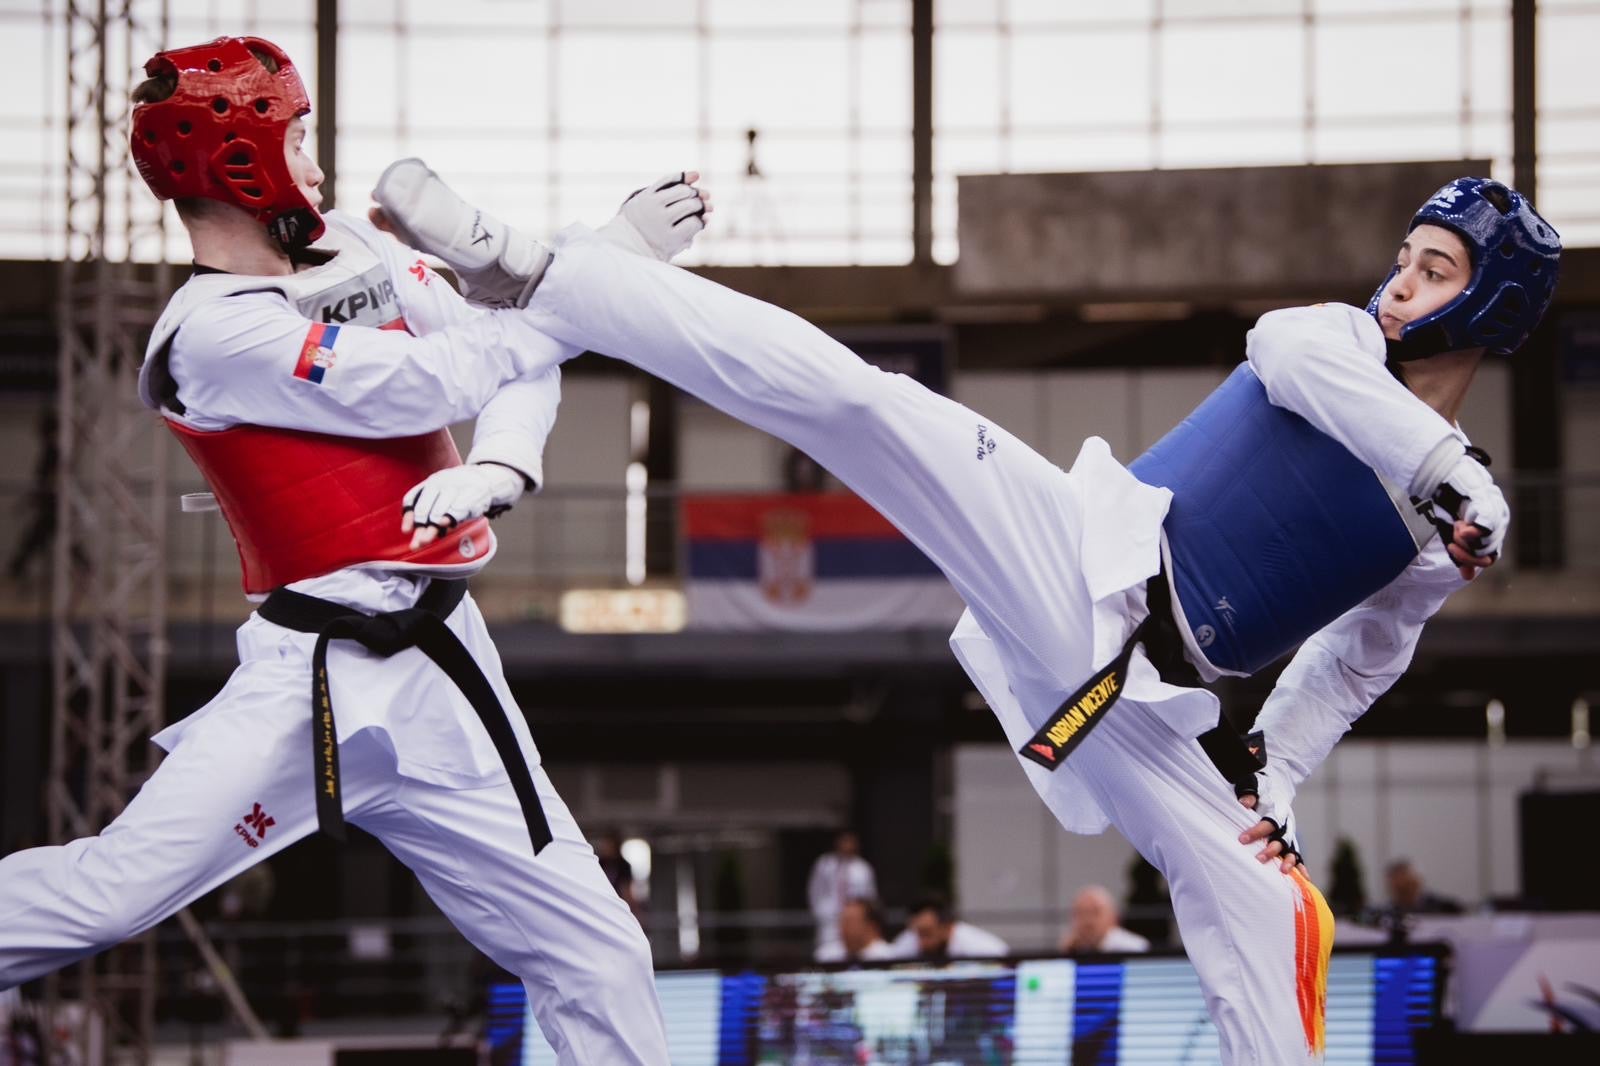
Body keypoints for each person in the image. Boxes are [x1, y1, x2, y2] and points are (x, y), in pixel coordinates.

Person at [372, 162, 1559, 1064]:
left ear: (1492, 308)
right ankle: (535, 267)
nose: (1400, 281)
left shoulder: (1445, 512)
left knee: (1257, 901)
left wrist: (1276, 779)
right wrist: (1447, 480)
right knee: (862, 405)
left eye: (1437, 270)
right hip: (1078, 557)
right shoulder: (1337, 344)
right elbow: (1297, 368)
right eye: (1406, 255)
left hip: (1137, 700)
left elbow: (1362, 657)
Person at [0, 37, 709, 1065]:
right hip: (306, 679)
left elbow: (513, 343)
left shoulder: (351, 248)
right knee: (110, 896)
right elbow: (451, 375)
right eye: (295, 135)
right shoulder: (212, 333)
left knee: (599, 956)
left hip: (442, 668)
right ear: (237, 161)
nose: (316, 162)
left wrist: (505, 467)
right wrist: (603, 261)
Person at [806, 829, 878, 960]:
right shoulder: (824, 863)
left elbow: (870, 896)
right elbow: (815, 891)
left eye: (851, 842)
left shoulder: (863, 868)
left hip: (855, 920)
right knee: (826, 955)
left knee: (858, 954)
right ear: (837, 842)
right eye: (844, 841)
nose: (847, 845)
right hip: (829, 921)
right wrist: (821, 914)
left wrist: (860, 919)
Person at [889, 894, 1008, 960]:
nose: (921, 943)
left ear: (948, 926)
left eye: (927, 934)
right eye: (917, 934)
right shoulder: (909, 940)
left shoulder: (983, 949)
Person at [1059, 884, 1151, 955]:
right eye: (1080, 913)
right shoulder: (1071, 949)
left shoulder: (1133, 948)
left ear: (1113, 917)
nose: (1087, 920)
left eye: (1095, 912)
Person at [814, 897, 897, 964]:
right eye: (842, 921)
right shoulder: (825, 956)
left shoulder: (890, 958)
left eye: (850, 921)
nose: (843, 927)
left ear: (871, 926)